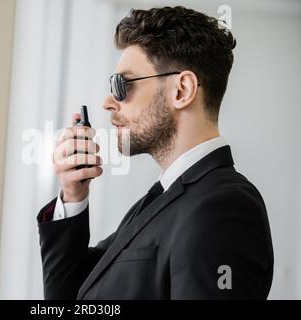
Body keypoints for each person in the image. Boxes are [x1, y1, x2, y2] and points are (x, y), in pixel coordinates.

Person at [36, 6, 273, 299]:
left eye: (122, 85)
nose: (108, 102)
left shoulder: (225, 208)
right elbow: (71, 296)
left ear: (181, 90)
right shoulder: (160, 199)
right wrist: (73, 196)